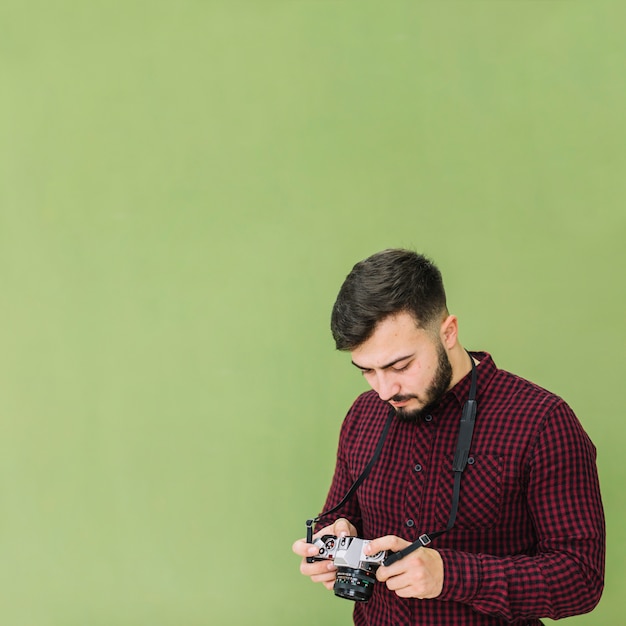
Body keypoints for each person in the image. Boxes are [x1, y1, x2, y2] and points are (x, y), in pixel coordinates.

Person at [292, 249, 605, 626]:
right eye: (367, 371)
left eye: (400, 365)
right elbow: (341, 513)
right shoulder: (364, 413)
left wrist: (450, 575)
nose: (385, 390)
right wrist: (338, 536)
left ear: (448, 332)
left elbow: (581, 578)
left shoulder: (542, 422)